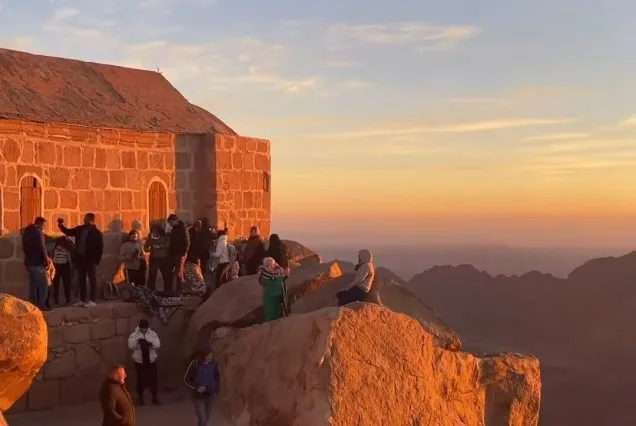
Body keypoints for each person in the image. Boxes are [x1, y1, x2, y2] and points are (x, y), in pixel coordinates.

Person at [58, 213, 104, 308]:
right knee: (81, 279)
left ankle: (92, 300)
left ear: (91, 220)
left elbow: (100, 247)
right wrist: (61, 225)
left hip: (90, 259)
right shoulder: (80, 229)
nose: (84, 219)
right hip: (80, 259)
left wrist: (96, 260)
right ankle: (82, 300)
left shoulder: (96, 232)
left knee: (92, 279)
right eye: (84, 217)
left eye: (86, 218)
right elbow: (68, 232)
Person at [184, 347, 221, 426]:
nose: (210, 357)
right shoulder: (195, 364)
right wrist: (196, 388)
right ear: (202, 355)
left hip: (211, 395)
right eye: (208, 355)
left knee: (207, 419)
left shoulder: (214, 363)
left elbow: (217, 377)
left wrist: (216, 390)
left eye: (211, 355)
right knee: (202, 419)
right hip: (198, 397)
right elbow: (186, 379)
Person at [127, 319, 161, 406]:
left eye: (145, 328)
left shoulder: (152, 334)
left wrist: (150, 343)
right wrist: (138, 341)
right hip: (140, 361)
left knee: (153, 379)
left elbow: (157, 344)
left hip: (151, 360)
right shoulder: (134, 335)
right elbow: (131, 346)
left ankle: (154, 397)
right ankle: (141, 398)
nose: (144, 330)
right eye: (142, 328)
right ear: (140, 327)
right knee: (140, 380)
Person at [22, 216, 50, 310]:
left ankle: (32, 305)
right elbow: (42, 248)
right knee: (44, 284)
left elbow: (24, 247)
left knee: (33, 285)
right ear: (40, 223)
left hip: (29, 263)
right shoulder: (38, 233)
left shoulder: (27, 232)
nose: (44, 227)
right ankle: (41, 305)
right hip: (38, 263)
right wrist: (47, 261)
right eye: (44, 225)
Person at [258, 257, 289, 321]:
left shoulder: (277, 271)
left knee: (278, 314)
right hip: (270, 297)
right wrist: (282, 276)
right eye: (269, 265)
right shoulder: (264, 275)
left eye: (272, 265)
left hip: (278, 297)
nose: (271, 267)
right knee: (270, 314)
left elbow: (282, 279)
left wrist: (286, 274)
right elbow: (274, 283)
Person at [144, 223, 171, 291]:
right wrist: (148, 249)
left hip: (164, 259)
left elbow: (168, 245)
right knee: (152, 275)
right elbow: (145, 247)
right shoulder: (150, 238)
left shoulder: (165, 237)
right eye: (153, 231)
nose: (154, 232)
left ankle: (167, 290)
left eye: (155, 231)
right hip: (154, 258)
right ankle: (151, 290)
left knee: (166, 275)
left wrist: (159, 246)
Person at [167, 214, 190, 295]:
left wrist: (184, 253)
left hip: (180, 254)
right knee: (173, 272)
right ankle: (173, 290)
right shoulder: (173, 229)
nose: (170, 224)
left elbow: (187, 242)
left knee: (179, 272)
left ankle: (179, 290)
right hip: (173, 253)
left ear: (176, 220)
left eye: (171, 222)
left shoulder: (183, 228)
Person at [48, 236, 74, 306]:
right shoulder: (66, 249)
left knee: (56, 284)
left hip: (56, 266)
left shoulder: (55, 248)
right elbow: (69, 259)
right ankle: (67, 300)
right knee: (66, 284)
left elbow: (53, 258)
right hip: (65, 266)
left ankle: (56, 300)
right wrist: (71, 267)